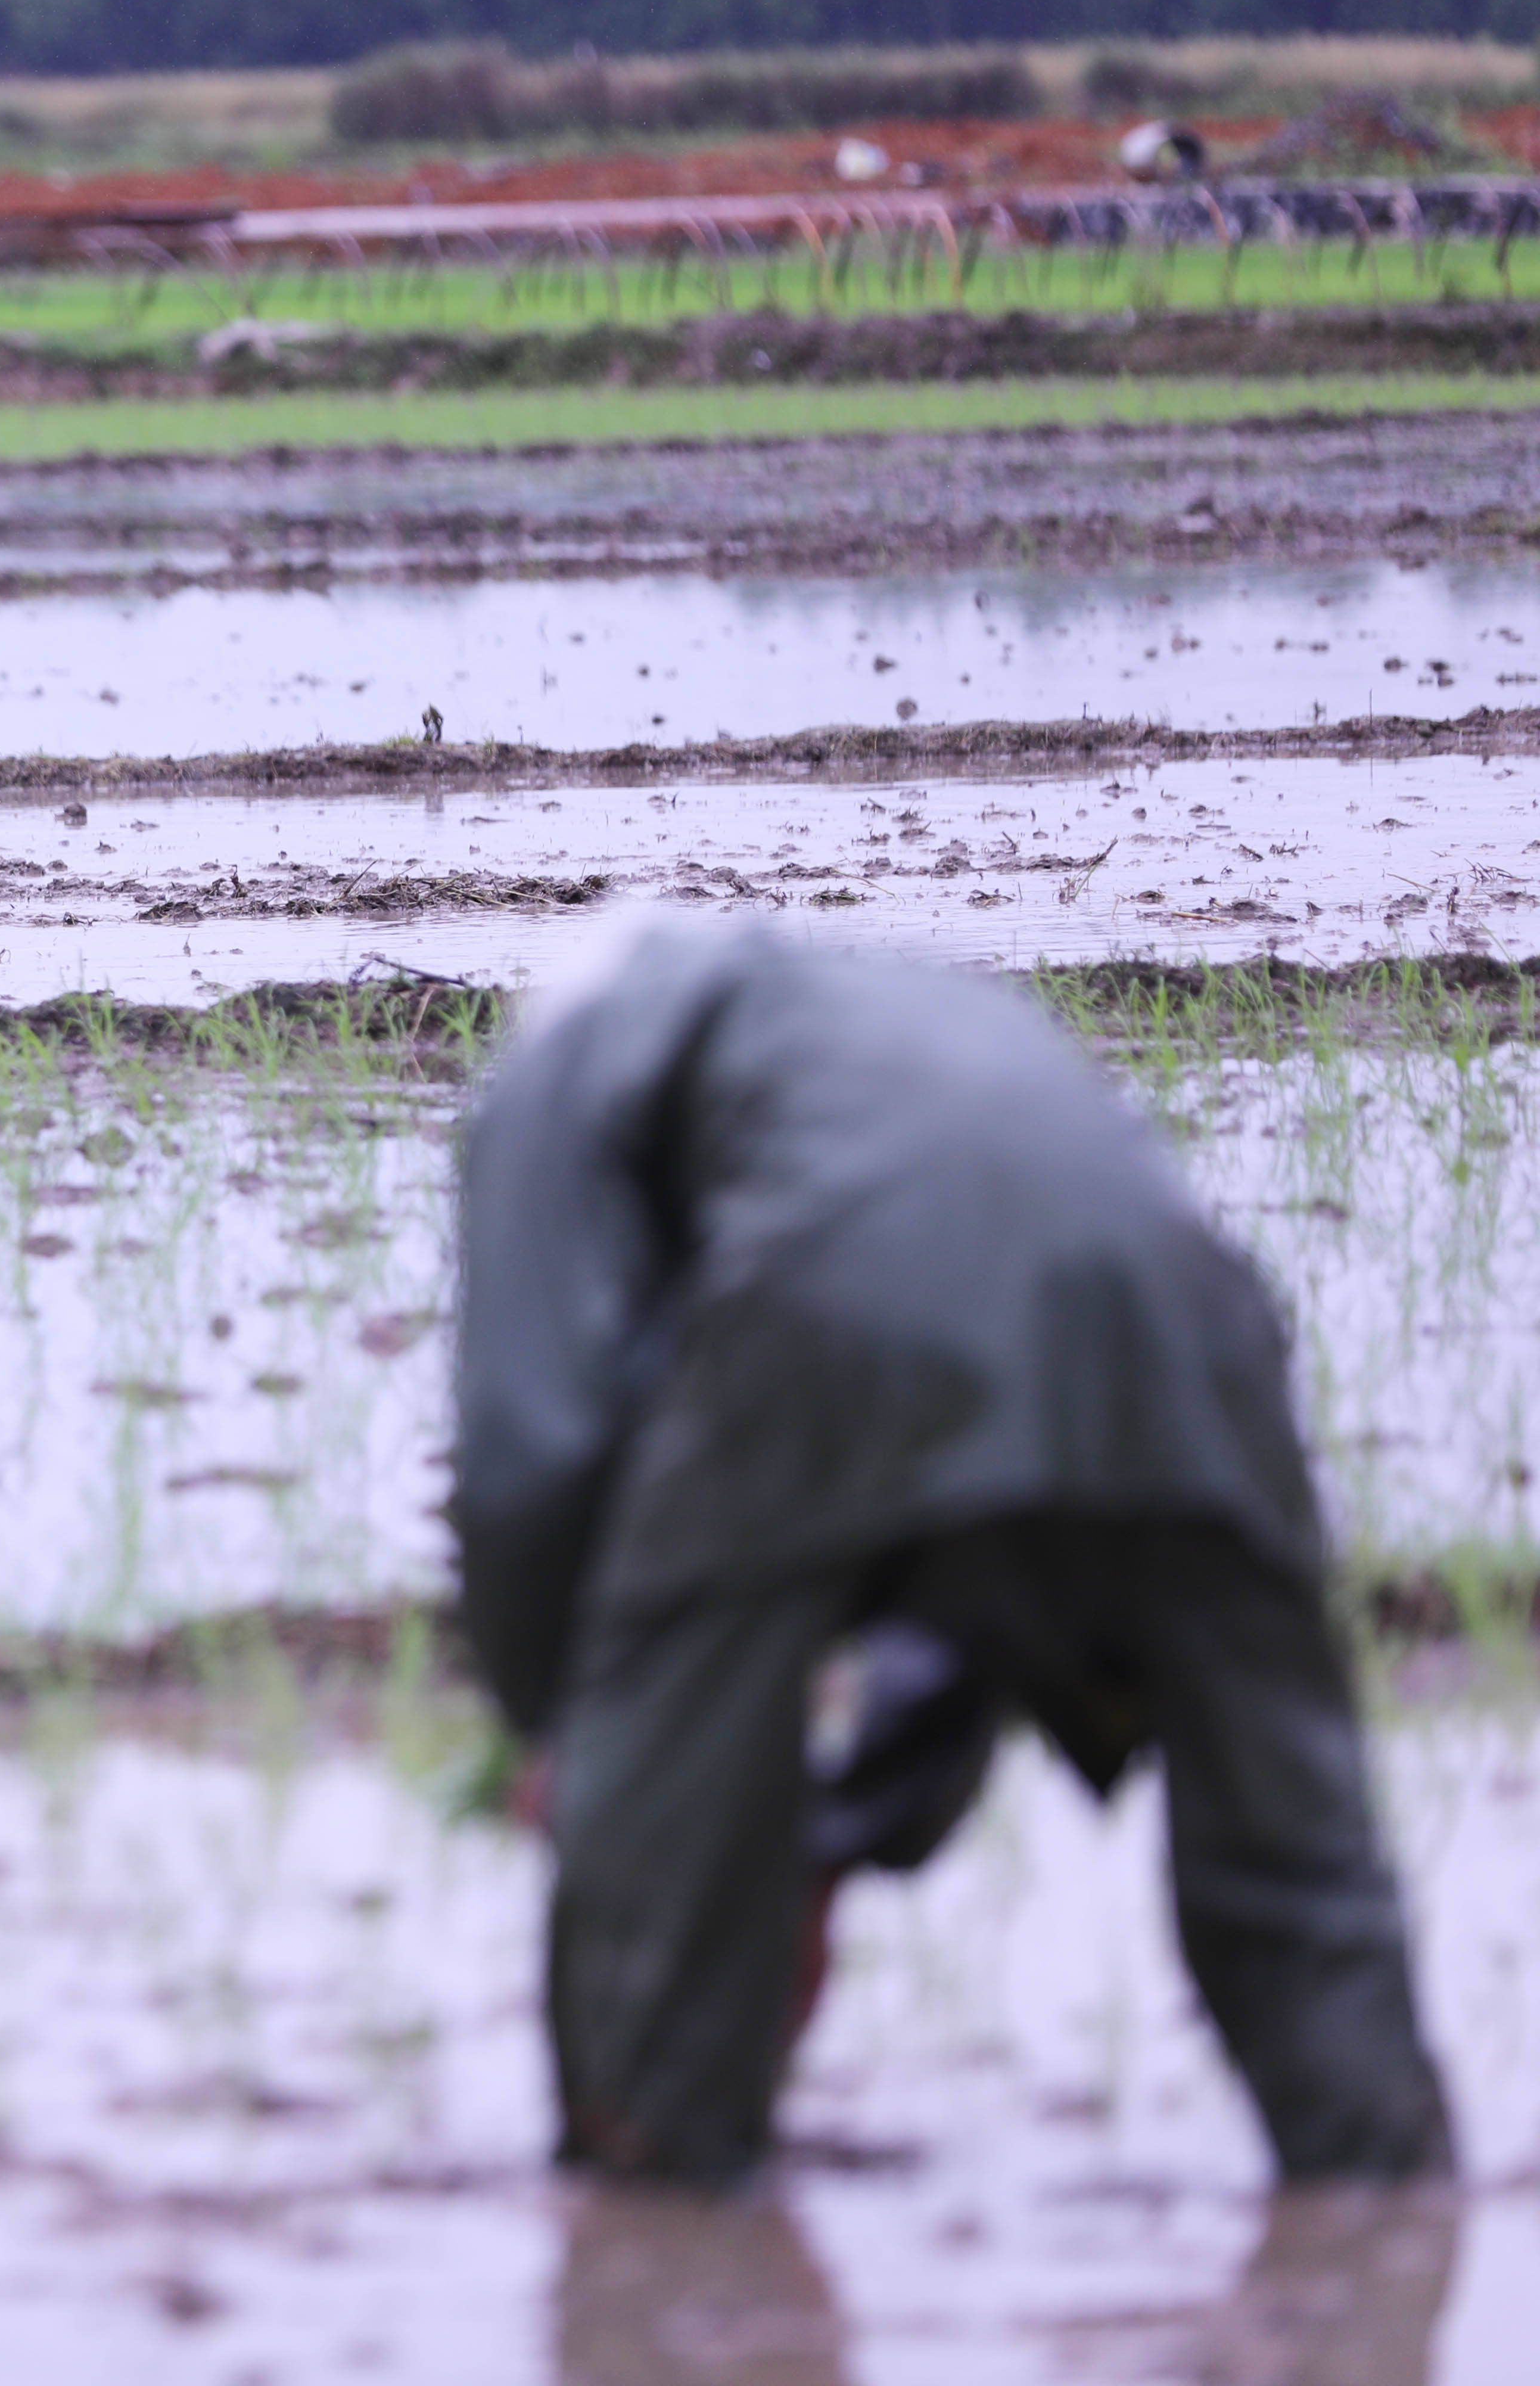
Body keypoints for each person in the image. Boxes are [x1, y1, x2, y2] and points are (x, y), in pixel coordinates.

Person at [450, 920, 1451, 2187]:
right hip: (1194, 1319)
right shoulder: (904, 1010)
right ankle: (1387, 2194)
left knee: (659, 1856)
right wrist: (846, 1826)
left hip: (836, 1308)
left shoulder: (563, 1062)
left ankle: (657, 2215)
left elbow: (530, 1442)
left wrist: (567, 1724)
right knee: (1292, 1836)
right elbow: (972, 1562)